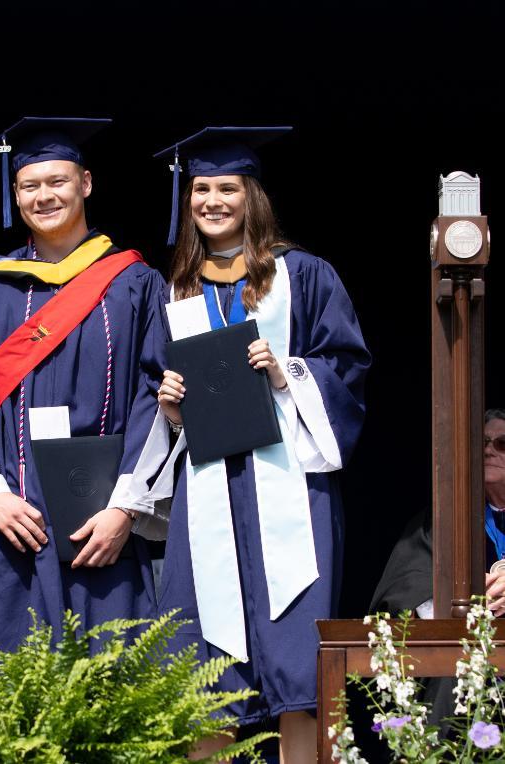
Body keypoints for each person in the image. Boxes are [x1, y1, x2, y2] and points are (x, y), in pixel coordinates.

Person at [148, 127, 370, 760]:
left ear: (252, 195)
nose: (212, 201)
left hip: (290, 493)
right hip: (208, 491)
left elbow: (347, 371)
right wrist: (168, 408)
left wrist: (286, 372)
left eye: (227, 188)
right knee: (205, 671)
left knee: (298, 669)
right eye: (200, 189)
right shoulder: (175, 289)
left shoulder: (304, 275)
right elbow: (151, 397)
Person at [0, 117, 167, 657]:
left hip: (104, 527)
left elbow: (155, 399)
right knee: (11, 701)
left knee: (112, 695)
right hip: (12, 527)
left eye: (58, 182)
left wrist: (125, 508)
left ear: (85, 184)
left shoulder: (132, 282)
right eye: (30, 185)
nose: (44, 196)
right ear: (15, 194)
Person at [372, 408, 505, 618]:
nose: (488, 451)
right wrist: (461, 595)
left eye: (501, 444)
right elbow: (406, 587)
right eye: (483, 443)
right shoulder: (443, 521)